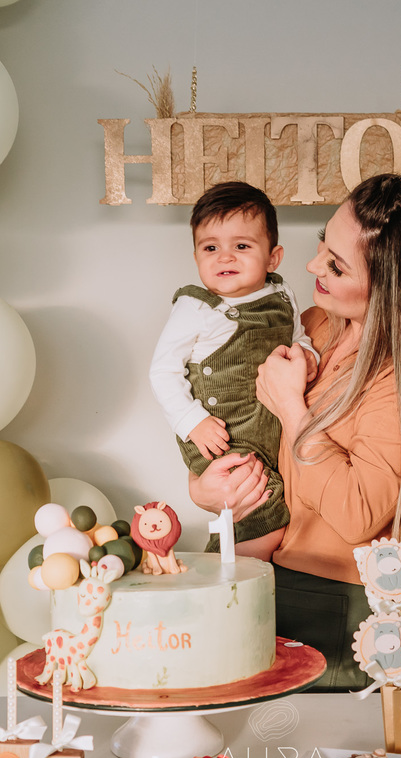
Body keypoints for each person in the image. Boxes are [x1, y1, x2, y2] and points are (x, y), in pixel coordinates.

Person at [189, 173, 401, 690]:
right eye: (321, 246)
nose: (312, 267)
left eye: (336, 265)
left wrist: (291, 407)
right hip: (275, 580)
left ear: (393, 288)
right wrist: (208, 489)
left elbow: (357, 512)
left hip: (339, 609)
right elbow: (249, 432)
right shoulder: (317, 323)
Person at [149, 181, 317, 559]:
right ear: (196, 256)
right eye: (211, 248)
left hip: (263, 426)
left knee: (257, 502)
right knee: (262, 506)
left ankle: (226, 573)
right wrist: (192, 421)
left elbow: (298, 336)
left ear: (273, 258)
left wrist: (306, 355)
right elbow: (162, 371)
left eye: (241, 246)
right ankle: (232, 581)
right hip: (219, 434)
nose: (224, 257)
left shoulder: (281, 293)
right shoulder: (197, 308)